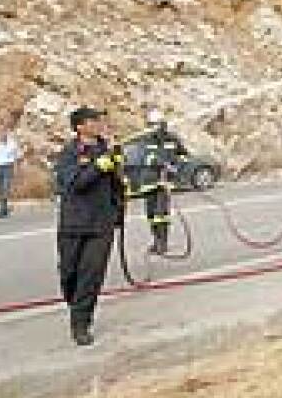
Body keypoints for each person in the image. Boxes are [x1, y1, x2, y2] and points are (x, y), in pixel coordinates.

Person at [53, 107, 124, 346]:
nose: (99, 123)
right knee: (69, 274)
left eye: (99, 119)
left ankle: (81, 323)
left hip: (101, 224)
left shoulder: (109, 151)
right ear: (80, 126)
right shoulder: (69, 153)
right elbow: (74, 184)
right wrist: (97, 168)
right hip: (73, 223)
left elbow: (119, 187)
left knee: (91, 276)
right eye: (93, 120)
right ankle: (77, 306)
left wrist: (118, 211)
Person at [130, 109, 188, 256]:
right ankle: (156, 241)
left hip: (165, 182)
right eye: (153, 124)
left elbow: (184, 156)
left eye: (159, 124)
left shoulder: (172, 139)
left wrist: (176, 167)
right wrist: (161, 163)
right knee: (151, 215)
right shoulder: (146, 140)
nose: (156, 127)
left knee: (161, 213)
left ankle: (163, 242)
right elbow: (145, 157)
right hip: (150, 181)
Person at [0, 127, 21, 218]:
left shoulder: (12, 144)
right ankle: (4, 207)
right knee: (0, 189)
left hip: (8, 167)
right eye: (0, 134)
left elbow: (17, 158)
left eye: (4, 133)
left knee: (6, 188)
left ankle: (2, 210)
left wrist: (16, 169)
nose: (2, 136)